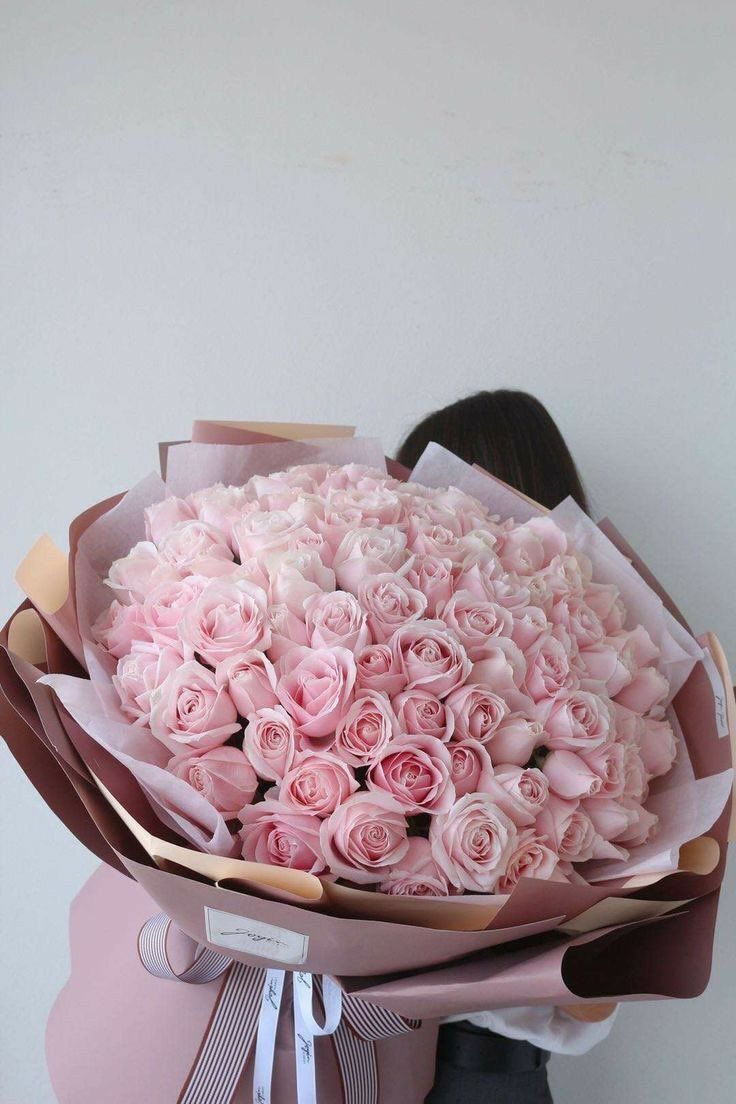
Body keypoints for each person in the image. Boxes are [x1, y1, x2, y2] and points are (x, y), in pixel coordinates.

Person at [396, 389, 617, 1104]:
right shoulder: (382, 665)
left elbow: (594, 1003)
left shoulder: (606, 704)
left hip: (486, 1078)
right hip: (331, 1058)